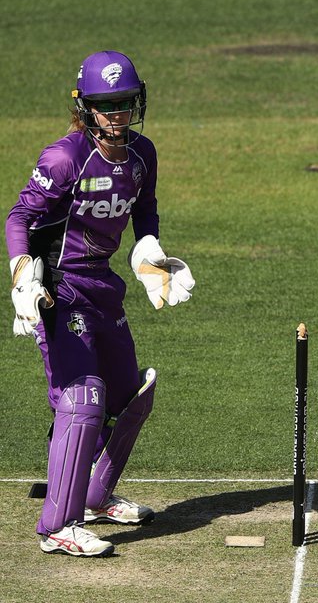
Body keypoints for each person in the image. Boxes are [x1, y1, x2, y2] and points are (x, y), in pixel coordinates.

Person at [7, 50, 195, 557]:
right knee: (83, 396)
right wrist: (22, 275)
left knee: (131, 395)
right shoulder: (65, 158)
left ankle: (95, 497)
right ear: (85, 107)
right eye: (106, 105)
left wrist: (149, 252)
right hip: (58, 287)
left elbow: (145, 209)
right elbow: (19, 218)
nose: (117, 114)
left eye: (125, 103)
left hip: (102, 285)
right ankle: (58, 527)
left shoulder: (142, 154)